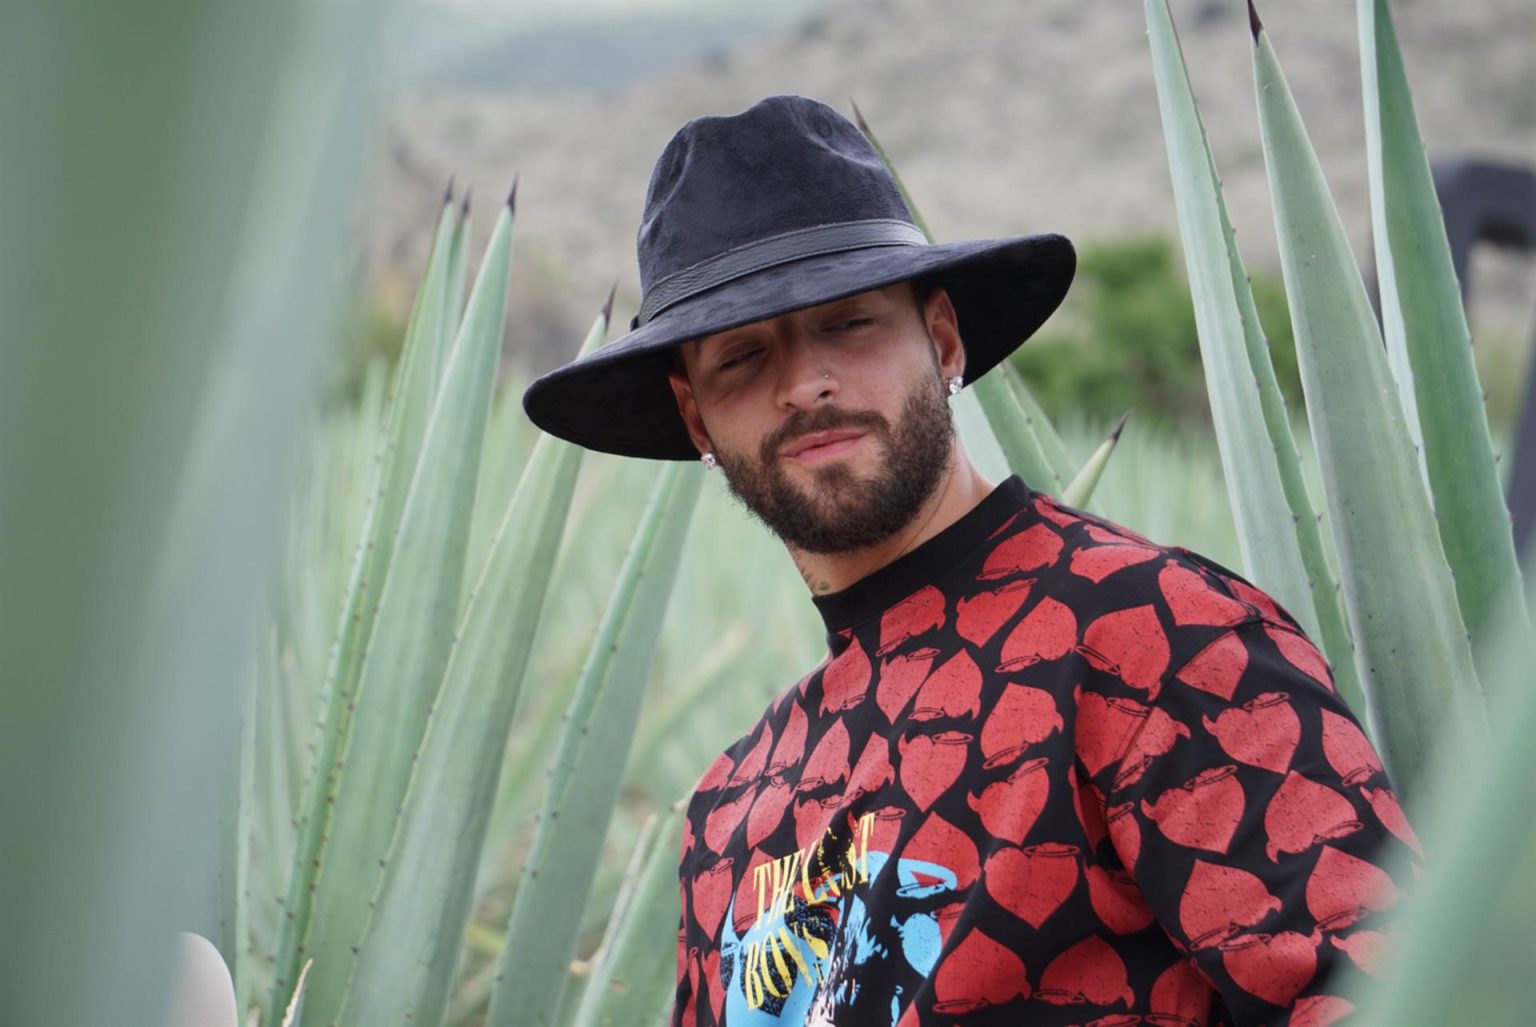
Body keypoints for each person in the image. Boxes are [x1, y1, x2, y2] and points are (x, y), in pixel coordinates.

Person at [523, 95, 1416, 1027]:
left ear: (942, 338)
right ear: (698, 418)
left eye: (848, 323)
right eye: (744, 357)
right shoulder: (735, 807)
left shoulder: (1145, 636)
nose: (803, 384)